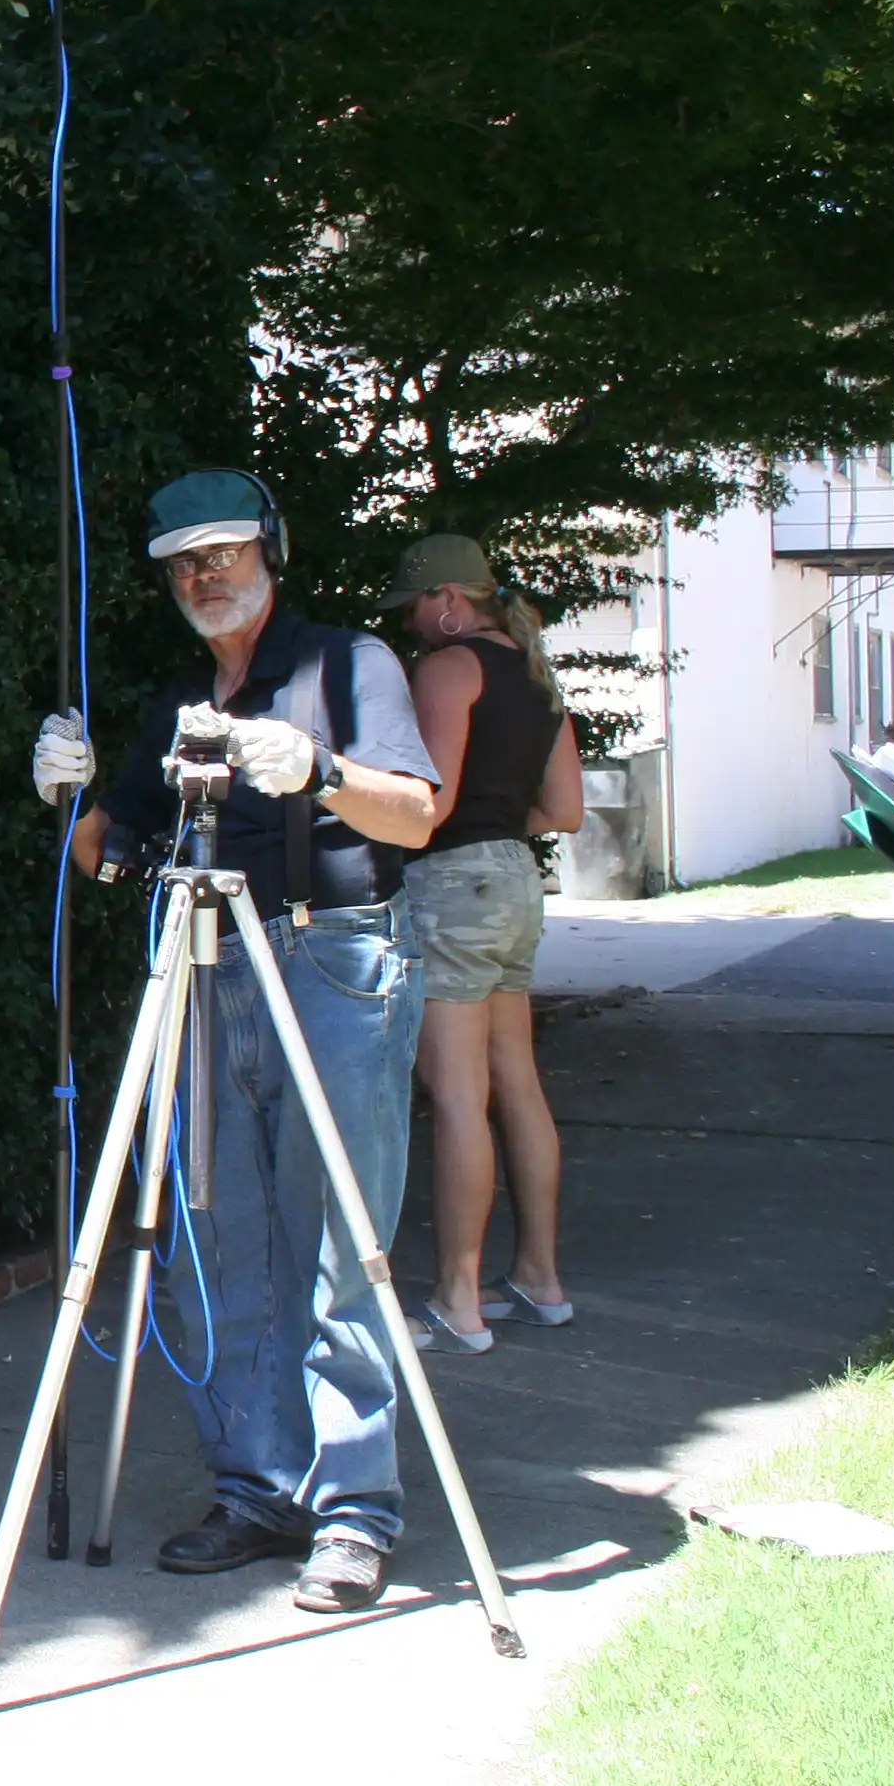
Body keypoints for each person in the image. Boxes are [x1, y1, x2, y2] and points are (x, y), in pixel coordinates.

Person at [29, 469, 442, 1612]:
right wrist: (69, 795)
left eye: (222, 553)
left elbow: (416, 811)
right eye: (182, 564)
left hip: (335, 961)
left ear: (269, 548)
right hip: (210, 968)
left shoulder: (349, 665)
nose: (203, 577)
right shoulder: (176, 706)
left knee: (338, 1243)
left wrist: (321, 770)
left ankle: (354, 1513)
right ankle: (259, 1490)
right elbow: (107, 860)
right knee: (215, 1237)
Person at [383, 533, 584, 1356]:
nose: (414, 629)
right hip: (515, 880)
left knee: (459, 1096)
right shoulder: (538, 677)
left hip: (452, 887)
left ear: (453, 602)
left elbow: (427, 802)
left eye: (418, 611)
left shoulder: (449, 668)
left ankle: (458, 1300)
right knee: (518, 1086)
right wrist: (500, 834)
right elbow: (565, 812)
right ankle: (539, 1278)